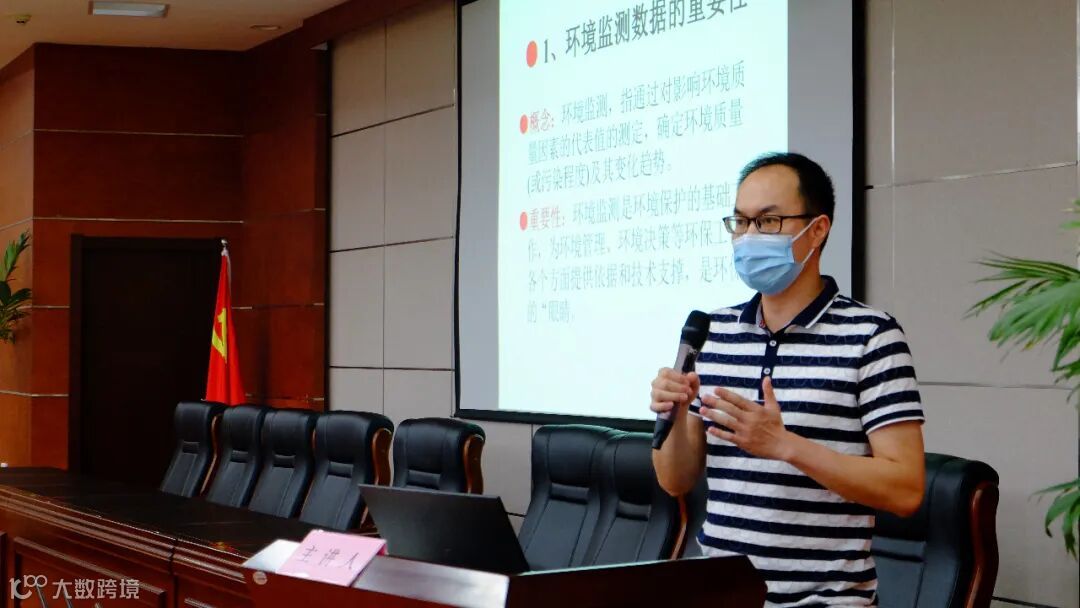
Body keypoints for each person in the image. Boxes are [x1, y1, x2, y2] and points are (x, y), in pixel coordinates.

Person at [650, 152, 925, 607]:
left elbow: (906, 489)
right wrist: (676, 414)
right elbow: (675, 480)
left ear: (817, 230)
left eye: (768, 221)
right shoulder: (714, 332)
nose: (749, 237)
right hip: (721, 594)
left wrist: (785, 445)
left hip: (825, 601)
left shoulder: (872, 336)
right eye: (740, 222)